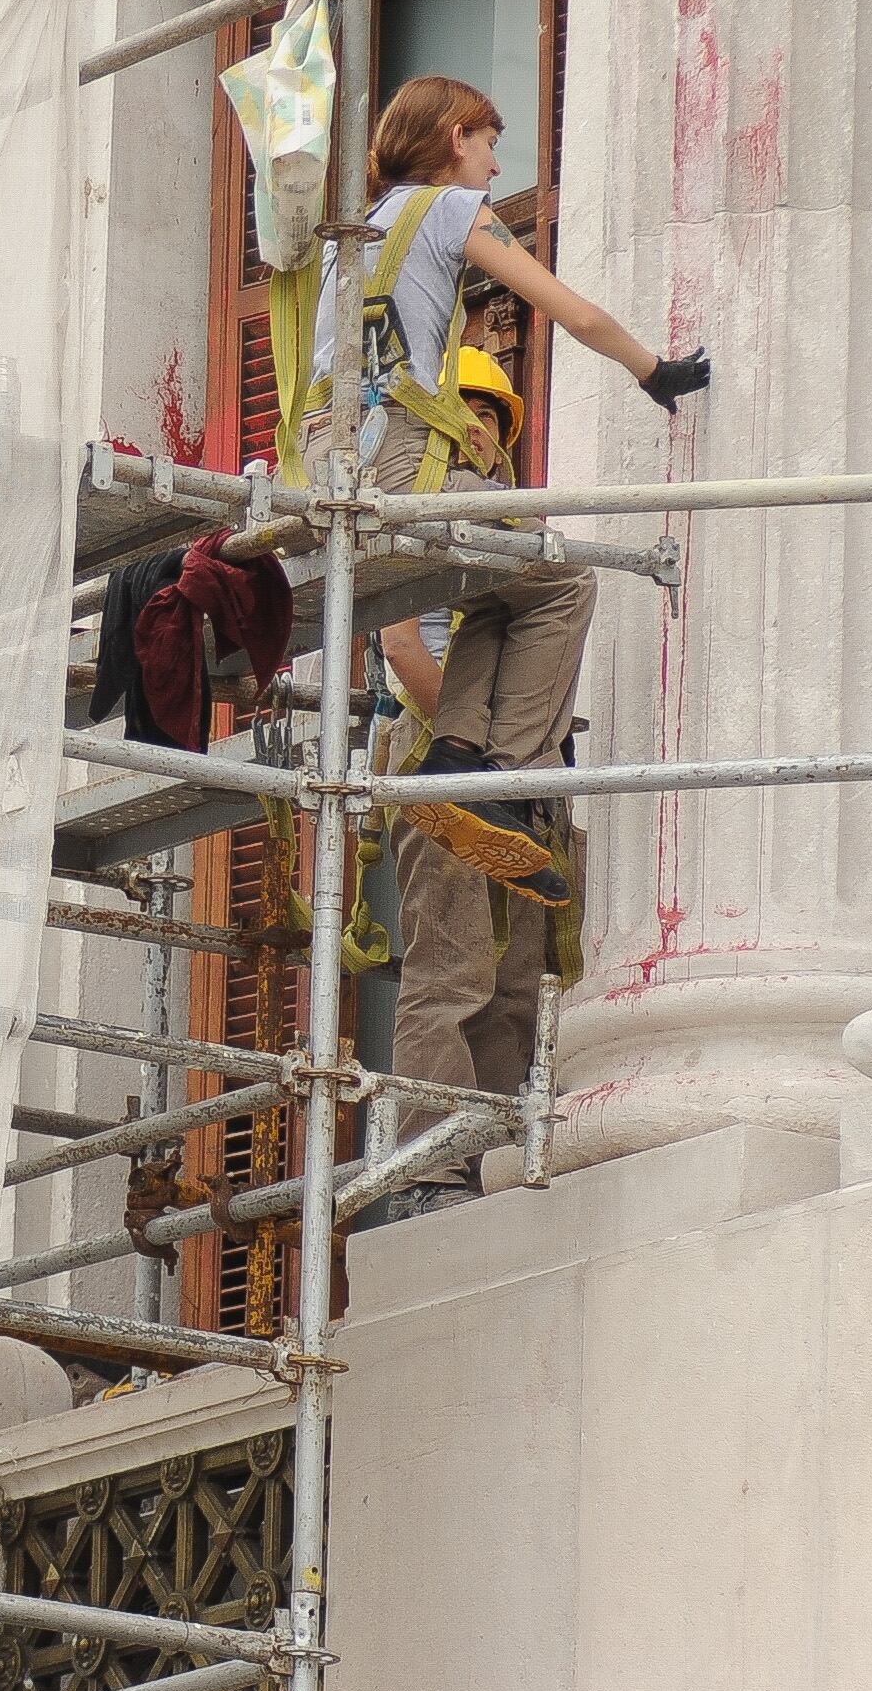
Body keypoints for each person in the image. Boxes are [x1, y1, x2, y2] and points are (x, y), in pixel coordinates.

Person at [288, 74, 707, 1094]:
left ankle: (469, 752)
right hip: (396, 475)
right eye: (487, 139)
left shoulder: (354, 240)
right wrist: (653, 369)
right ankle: (505, 776)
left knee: (497, 587)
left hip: (329, 474)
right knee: (558, 583)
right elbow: (563, 307)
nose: (495, 163)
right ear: (447, 139)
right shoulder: (448, 211)